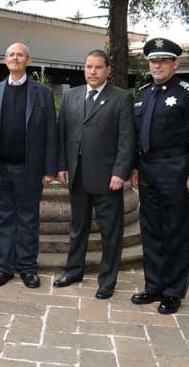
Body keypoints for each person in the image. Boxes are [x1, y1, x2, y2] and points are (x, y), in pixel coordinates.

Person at [131, 37, 189, 314]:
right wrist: (135, 167)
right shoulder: (143, 94)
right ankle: (154, 286)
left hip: (176, 170)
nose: (157, 66)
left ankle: (173, 291)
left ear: (175, 64)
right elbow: (136, 135)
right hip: (148, 170)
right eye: (153, 61)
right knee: (151, 230)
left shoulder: (188, 93)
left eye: (163, 61)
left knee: (175, 231)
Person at [54, 50, 135, 298]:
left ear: (108, 70)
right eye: (89, 66)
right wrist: (62, 166)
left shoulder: (121, 98)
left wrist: (120, 172)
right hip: (77, 176)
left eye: (98, 67)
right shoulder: (71, 96)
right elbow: (62, 134)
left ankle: (107, 280)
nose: (93, 71)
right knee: (78, 227)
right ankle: (73, 271)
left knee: (110, 232)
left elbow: (127, 139)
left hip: (107, 178)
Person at [0, 42, 57, 289]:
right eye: (11, 54)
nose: (15, 58)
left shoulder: (43, 93)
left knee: (28, 220)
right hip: (0, 168)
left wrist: (49, 169)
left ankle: (28, 268)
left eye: (20, 55)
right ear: (5, 61)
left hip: (29, 168)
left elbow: (51, 133)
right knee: (2, 220)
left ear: (28, 61)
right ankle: (3, 267)